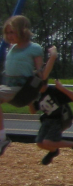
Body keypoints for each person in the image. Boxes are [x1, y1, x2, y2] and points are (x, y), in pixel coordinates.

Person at [0, 15, 56, 157]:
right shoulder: (12, 48)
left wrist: (52, 58)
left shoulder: (34, 48)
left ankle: (1, 139)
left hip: (22, 89)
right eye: (7, 33)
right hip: (8, 86)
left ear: (22, 31)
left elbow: (41, 75)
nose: (9, 36)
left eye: (12, 32)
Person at [30, 72, 73, 165]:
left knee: (48, 142)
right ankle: (53, 151)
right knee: (39, 142)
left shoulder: (53, 91)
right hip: (48, 119)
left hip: (61, 118)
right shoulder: (36, 95)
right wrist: (30, 101)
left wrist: (62, 88)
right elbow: (33, 111)